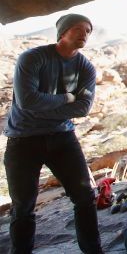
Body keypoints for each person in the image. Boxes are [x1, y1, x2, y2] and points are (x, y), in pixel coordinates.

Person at [3, 14, 102, 254]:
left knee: (85, 196)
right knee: (23, 206)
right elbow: (27, 101)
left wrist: (44, 108)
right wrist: (66, 98)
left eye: (88, 31)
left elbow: (83, 108)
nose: (84, 34)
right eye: (79, 29)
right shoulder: (33, 58)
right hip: (23, 140)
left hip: (62, 138)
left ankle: (93, 251)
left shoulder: (85, 67)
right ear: (63, 31)